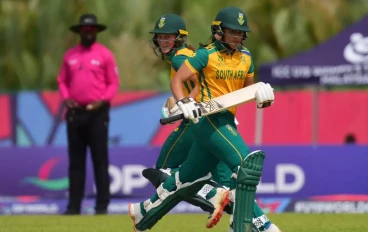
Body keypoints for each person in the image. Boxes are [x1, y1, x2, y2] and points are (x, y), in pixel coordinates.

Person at [129, 7, 282, 232]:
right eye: (232, 32)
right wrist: (184, 103)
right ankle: (260, 226)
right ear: (218, 32)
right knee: (245, 165)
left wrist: (262, 97)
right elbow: (182, 83)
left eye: (240, 33)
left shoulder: (246, 56)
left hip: (225, 119)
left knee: (185, 179)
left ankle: (143, 213)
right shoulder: (205, 55)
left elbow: (246, 92)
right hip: (206, 119)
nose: (237, 37)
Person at [141, 12, 232, 227]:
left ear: (179, 37)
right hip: (216, 121)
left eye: (168, 37)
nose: (163, 41)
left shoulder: (179, 57)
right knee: (227, 187)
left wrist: (185, 104)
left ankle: (212, 196)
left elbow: (203, 83)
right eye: (160, 37)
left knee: (163, 174)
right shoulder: (188, 53)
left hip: (195, 123)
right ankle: (243, 214)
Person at [57, 13, 119, 215]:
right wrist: (66, 98)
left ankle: (102, 206)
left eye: (91, 30)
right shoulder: (70, 55)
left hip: (97, 114)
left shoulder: (105, 55)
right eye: (85, 30)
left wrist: (102, 101)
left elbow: (113, 83)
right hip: (75, 113)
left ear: (96, 32)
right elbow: (62, 81)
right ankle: (74, 206)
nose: (88, 33)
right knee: (76, 162)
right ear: (80, 32)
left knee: (100, 161)